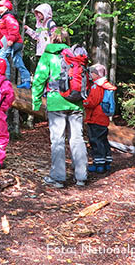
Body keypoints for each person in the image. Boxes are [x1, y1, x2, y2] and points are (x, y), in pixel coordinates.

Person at [32, 28, 87, 187]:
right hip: (76, 102)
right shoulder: (74, 55)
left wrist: (36, 102)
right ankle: (81, 176)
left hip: (56, 102)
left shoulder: (48, 56)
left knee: (57, 140)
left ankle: (58, 178)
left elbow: (39, 80)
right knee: (77, 139)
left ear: (51, 39)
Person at [0, 0, 31, 89]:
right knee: (18, 61)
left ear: (5, 8)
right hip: (14, 42)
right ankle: (26, 81)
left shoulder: (8, 18)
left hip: (13, 42)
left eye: (0, 6)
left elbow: (14, 28)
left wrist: (11, 39)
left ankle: (5, 79)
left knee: (1, 55)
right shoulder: (0, 19)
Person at [83, 64, 117, 173]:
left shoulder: (97, 86)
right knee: (103, 140)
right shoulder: (105, 85)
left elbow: (92, 102)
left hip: (96, 117)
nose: (90, 75)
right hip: (103, 118)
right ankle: (107, 162)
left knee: (95, 140)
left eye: (92, 73)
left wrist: (83, 102)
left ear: (96, 74)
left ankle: (99, 164)